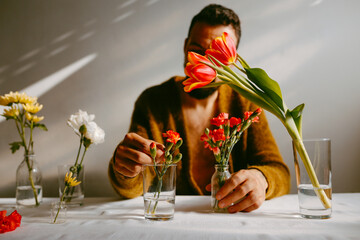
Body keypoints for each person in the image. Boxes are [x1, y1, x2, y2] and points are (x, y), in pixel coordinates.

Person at [108, 4, 290, 213]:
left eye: (215, 57)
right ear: (185, 46)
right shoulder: (152, 102)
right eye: (196, 51)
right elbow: (130, 188)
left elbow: (280, 172)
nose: (202, 64)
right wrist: (124, 170)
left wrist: (261, 178)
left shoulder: (246, 102)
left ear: (232, 56)